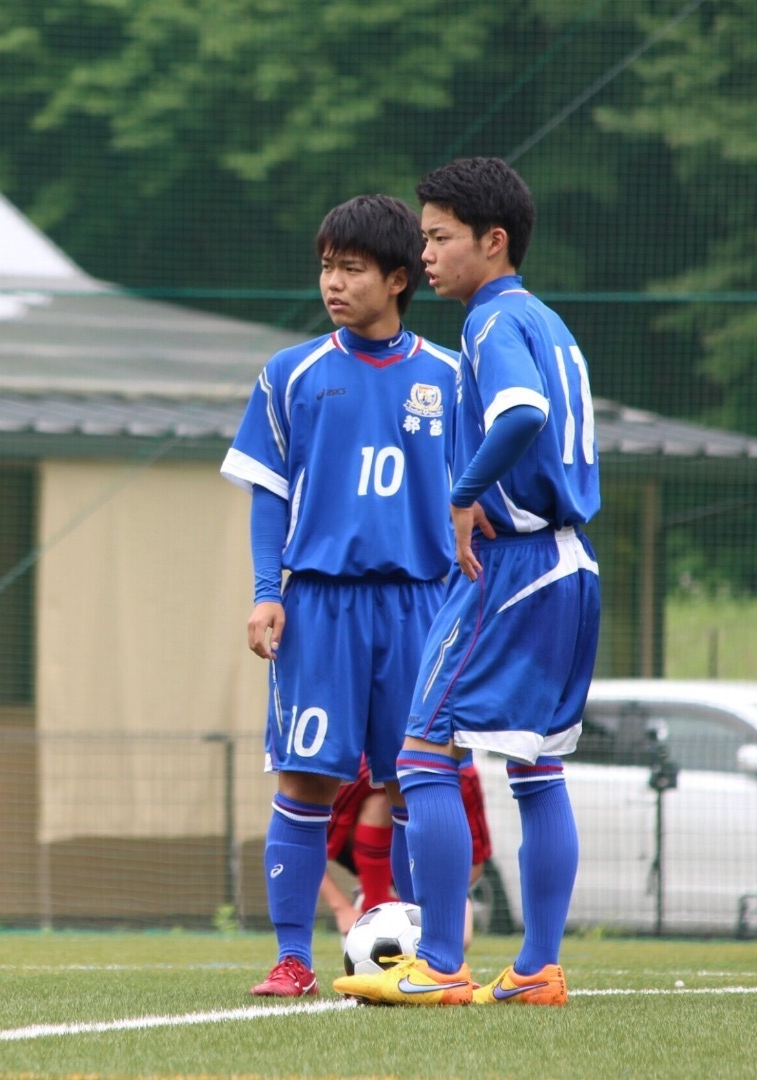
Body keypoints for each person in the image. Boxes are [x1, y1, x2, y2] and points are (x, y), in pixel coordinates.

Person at [333, 157, 601, 1008]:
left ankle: (441, 964)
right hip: (572, 562)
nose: (429, 253)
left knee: (421, 752)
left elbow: (520, 414)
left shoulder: (490, 323)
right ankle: (537, 969)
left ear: (494, 241)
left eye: (441, 237)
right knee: (538, 768)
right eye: (423, 237)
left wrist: (462, 493)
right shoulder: (550, 323)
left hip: (513, 565)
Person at [220, 194, 460, 997]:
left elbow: (478, 497)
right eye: (326, 265)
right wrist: (266, 592)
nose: (333, 282)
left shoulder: (451, 379)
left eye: (351, 268)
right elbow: (268, 494)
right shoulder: (290, 375)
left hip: (422, 603)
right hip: (320, 604)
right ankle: (292, 959)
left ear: (398, 278)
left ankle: (429, 956)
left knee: (419, 780)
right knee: (306, 778)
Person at [321, 756, 492, 952]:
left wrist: (441, 898)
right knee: (379, 801)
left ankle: (420, 909)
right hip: (376, 865)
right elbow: (306, 845)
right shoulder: (363, 770)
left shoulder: (464, 775)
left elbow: (476, 864)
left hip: (435, 879)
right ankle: (374, 899)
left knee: (461, 938)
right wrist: (342, 909)